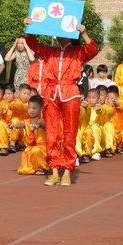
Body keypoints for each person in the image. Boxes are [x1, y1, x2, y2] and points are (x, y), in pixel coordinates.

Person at [24, 17, 99, 187]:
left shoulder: (78, 52)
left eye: (61, 33)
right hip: (51, 93)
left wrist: (84, 33)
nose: (58, 36)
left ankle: (67, 171)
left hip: (70, 93)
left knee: (70, 132)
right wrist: (28, 28)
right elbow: (33, 44)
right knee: (52, 133)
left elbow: (93, 50)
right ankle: (54, 171)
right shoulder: (49, 51)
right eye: (57, 33)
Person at [12, 95, 47, 175]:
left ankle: (41, 168)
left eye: (34, 108)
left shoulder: (42, 121)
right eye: (29, 108)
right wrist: (14, 126)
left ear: (41, 109)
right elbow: (20, 124)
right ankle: (34, 166)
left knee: (36, 150)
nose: (31, 110)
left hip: (42, 148)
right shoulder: (26, 121)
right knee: (25, 170)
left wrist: (38, 125)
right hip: (30, 148)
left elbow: (43, 124)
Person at [76, 89, 104, 163]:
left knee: (93, 129)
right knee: (79, 131)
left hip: (95, 130)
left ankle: (94, 151)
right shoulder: (84, 106)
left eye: (93, 98)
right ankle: (78, 154)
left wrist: (99, 110)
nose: (91, 100)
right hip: (83, 127)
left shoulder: (100, 108)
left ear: (98, 99)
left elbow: (104, 116)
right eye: (89, 97)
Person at [106, 85, 123, 154]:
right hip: (111, 129)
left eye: (112, 98)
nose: (110, 100)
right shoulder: (106, 106)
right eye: (108, 98)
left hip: (120, 129)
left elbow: (120, 106)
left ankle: (120, 146)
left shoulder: (119, 105)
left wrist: (116, 102)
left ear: (117, 98)